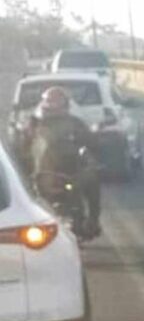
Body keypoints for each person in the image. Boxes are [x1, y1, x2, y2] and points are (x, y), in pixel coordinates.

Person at [22, 87, 102, 238]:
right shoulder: (70, 123)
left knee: (90, 179)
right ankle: (92, 221)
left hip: (47, 176)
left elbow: (21, 149)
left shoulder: (33, 123)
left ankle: (90, 221)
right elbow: (91, 142)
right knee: (92, 180)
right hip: (52, 176)